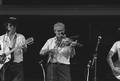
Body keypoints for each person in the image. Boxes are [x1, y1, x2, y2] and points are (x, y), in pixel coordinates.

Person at [0, 17, 27, 81]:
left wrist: (23, 48)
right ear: (6, 26)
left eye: (14, 25)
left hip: (17, 65)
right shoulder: (1, 38)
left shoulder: (21, 37)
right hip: (5, 65)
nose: (12, 27)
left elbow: (25, 50)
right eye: (10, 25)